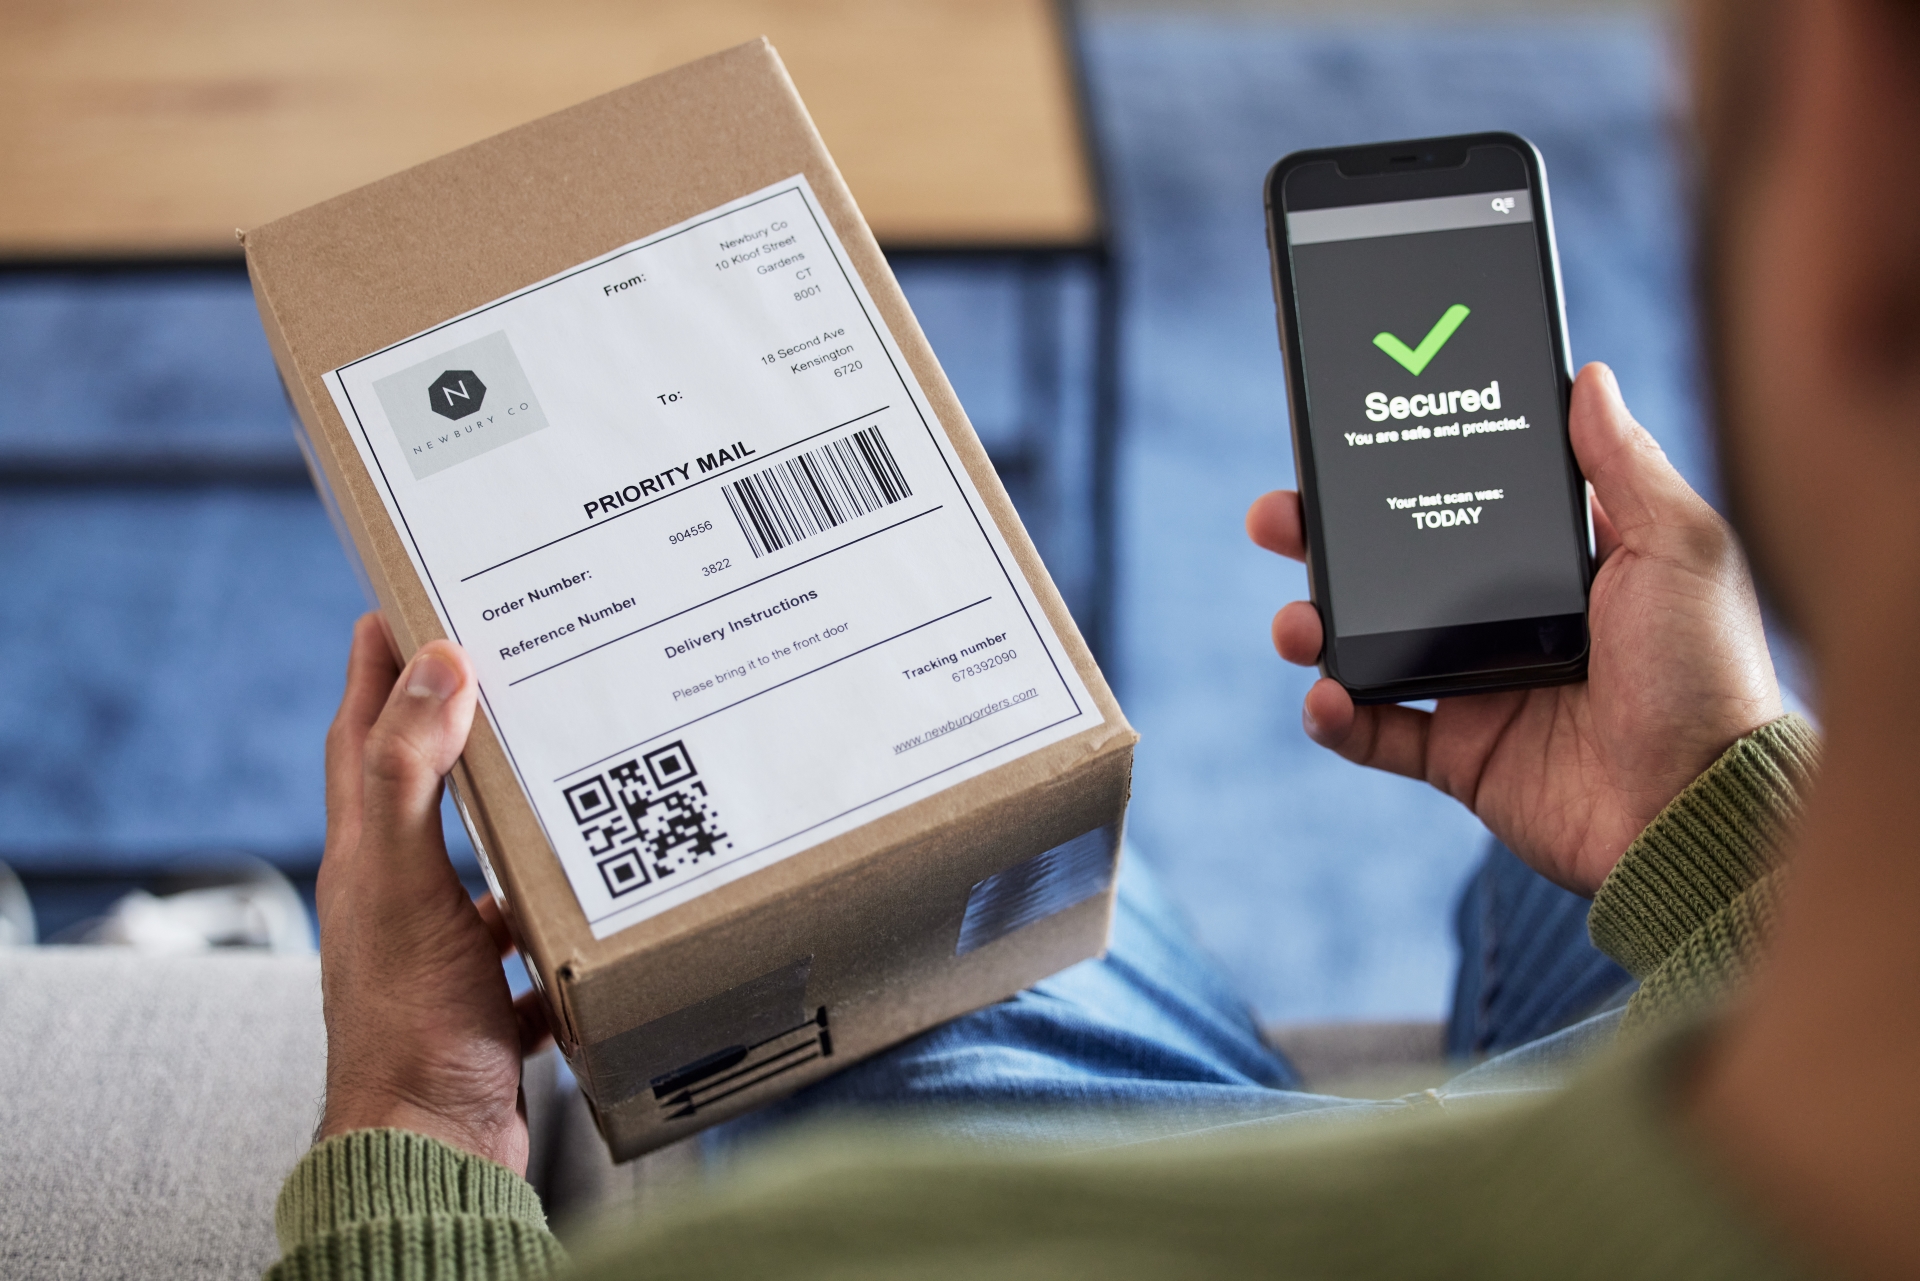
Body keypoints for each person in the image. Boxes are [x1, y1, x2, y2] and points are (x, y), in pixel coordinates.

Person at [265, 0, 1920, 1275]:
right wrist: (1718, 803)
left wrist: (421, 1103)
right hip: (1711, 1048)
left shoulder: (851, 1256)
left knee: (909, 879)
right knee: (1537, 877)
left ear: (1859, 148)